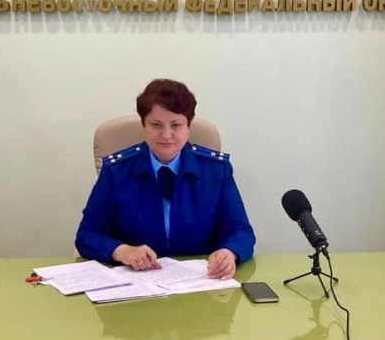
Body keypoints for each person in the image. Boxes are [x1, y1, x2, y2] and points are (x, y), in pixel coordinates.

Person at [75, 79, 256, 280]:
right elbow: (87, 235)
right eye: (156, 125)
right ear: (144, 125)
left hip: (202, 282)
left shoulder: (215, 171)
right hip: (136, 281)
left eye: (176, 125)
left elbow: (240, 231)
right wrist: (121, 251)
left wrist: (229, 253)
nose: (166, 135)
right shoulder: (117, 171)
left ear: (188, 126)